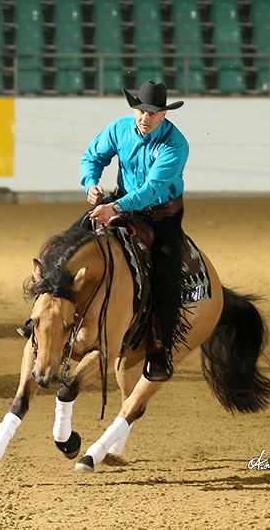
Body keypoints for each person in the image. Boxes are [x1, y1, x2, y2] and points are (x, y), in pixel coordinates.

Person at [77, 80, 188, 382]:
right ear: (135, 108)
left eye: (153, 113)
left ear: (164, 114)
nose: (145, 118)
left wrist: (114, 208)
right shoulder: (119, 128)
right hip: (121, 200)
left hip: (161, 214)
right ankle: (47, 311)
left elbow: (153, 189)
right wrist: (91, 184)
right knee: (72, 242)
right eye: (141, 110)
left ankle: (159, 349)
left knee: (166, 277)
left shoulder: (175, 144)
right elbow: (93, 157)